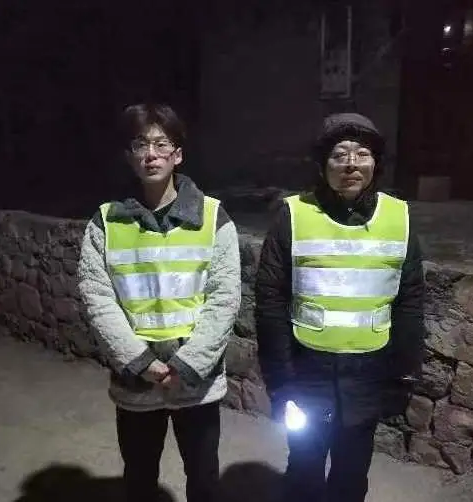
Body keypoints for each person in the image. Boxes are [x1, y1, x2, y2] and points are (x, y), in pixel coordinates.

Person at [255, 113, 425, 502]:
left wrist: (403, 374)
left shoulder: (398, 217)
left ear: (375, 163)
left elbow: (410, 300)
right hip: (307, 373)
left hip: (367, 375)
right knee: (304, 471)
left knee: (351, 476)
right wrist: (280, 381)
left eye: (362, 154)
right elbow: (270, 301)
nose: (351, 164)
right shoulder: (293, 215)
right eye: (339, 154)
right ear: (322, 164)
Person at [77, 103, 241, 502]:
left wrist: (186, 365)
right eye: (140, 144)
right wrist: (141, 362)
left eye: (161, 144)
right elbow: (98, 298)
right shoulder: (106, 221)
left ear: (177, 154)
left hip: (196, 380)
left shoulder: (212, 217)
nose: (151, 154)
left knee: (204, 479)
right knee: (139, 479)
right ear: (129, 156)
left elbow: (224, 298)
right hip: (136, 380)